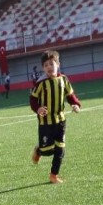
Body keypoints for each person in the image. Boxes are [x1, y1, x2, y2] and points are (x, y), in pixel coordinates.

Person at [30, 50, 82, 184]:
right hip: (45, 122)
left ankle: (53, 175)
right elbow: (33, 99)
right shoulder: (40, 83)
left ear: (58, 64)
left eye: (51, 64)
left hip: (60, 121)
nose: (49, 67)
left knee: (60, 149)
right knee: (47, 150)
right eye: (46, 65)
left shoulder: (64, 79)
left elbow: (70, 95)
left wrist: (75, 105)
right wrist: (38, 108)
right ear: (43, 68)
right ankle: (39, 150)